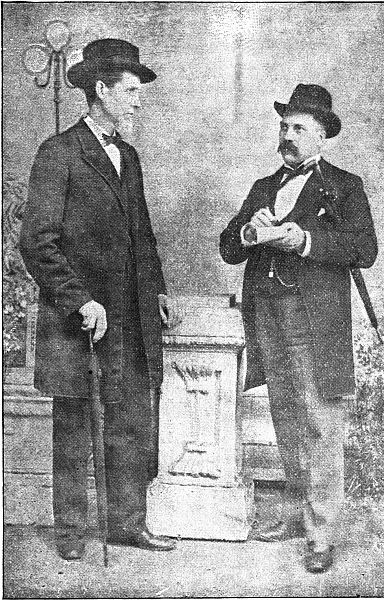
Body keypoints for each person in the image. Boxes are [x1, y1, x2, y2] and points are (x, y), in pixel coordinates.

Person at [20, 38, 180, 560]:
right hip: (80, 319)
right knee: (74, 425)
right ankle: (70, 531)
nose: (138, 101)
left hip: (130, 317)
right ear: (101, 90)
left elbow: (142, 234)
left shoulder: (128, 156)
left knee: (131, 421)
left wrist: (155, 290)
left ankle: (127, 524)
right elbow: (37, 242)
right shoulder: (59, 153)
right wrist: (80, 301)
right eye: (130, 91)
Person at [219, 84, 378, 573]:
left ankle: (322, 533)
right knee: (285, 415)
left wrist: (304, 239)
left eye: (299, 128)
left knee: (320, 422)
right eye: (284, 126)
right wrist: (249, 231)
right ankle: (295, 515)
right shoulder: (264, 187)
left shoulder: (344, 186)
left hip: (315, 321)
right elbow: (229, 248)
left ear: (321, 137)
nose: (288, 136)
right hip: (267, 316)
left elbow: (364, 249)